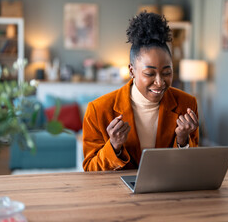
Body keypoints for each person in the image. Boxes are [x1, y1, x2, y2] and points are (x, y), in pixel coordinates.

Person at [83, 12, 199, 171]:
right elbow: (90, 170)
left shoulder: (186, 104)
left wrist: (183, 141)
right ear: (132, 71)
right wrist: (114, 146)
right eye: (150, 74)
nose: (160, 82)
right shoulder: (98, 110)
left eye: (167, 72)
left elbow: (192, 169)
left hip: (168, 192)